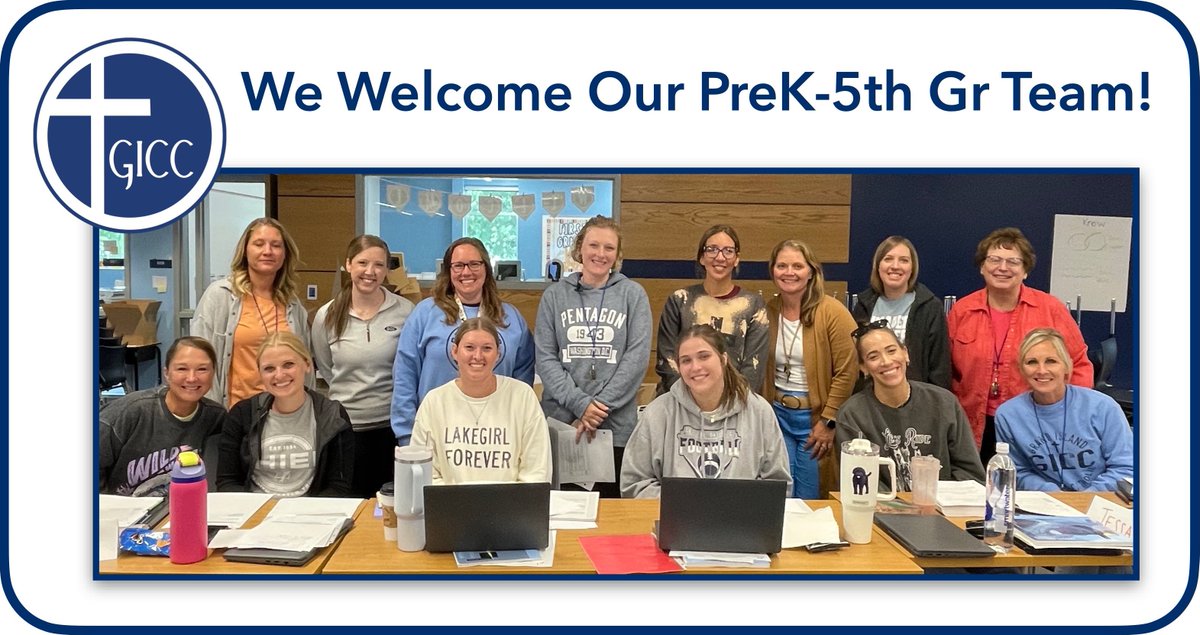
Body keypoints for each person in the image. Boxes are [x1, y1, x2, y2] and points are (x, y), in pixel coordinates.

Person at [947, 227, 1093, 464]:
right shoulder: (962, 311)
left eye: (1013, 261)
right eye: (994, 259)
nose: (1002, 268)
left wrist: (1069, 414)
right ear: (982, 266)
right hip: (971, 425)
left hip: (1035, 423)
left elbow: (1078, 364)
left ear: (1025, 271)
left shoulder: (1050, 309)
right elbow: (947, 371)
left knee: (1028, 483)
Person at [534, 216, 651, 496]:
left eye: (609, 248)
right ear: (579, 248)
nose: (600, 254)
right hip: (564, 426)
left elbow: (636, 359)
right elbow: (546, 358)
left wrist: (596, 409)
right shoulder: (554, 296)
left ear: (617, 255)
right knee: (563, 513)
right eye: (593, 245)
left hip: (615, 429)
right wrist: (580, 404)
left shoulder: (633, 295)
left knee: (612, 515)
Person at [390, 237, 535, 445]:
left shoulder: (511, 318)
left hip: (496, 436)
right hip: (435, 433)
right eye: (458, 265)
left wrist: (518, 430)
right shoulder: (424, 314)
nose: (466, 272)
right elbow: (405, 375)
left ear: (486, 268)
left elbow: (523, 381)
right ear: (448, 271)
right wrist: (407, 435)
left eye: (474, 264)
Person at [621, 325, 791, 499]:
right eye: (686, 360)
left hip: (739, 515)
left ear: (723, 359)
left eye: (704, 356)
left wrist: (733, 505)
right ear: (678, 367)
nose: (695, 367)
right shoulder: (658, 413)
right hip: (678, 514)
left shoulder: (759, 411)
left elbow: (778, 485)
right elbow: (635, 484)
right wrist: (684, 503)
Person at [311, 235, 415, 498]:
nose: (370, 271)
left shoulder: (406, 311)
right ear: (348, 265)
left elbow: (409, 368)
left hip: (392, 429)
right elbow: (326, 367)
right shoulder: (327, 315)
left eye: (379, 265)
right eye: (362, 263)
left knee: (392, 506)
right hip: (346, 430)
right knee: (350, 505)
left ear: (387, 269)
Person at [760, 239, 858, 499]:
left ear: (811, 272)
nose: (789, 272)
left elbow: (847, 372)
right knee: (779, 492)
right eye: (782, 266)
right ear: (773, 271)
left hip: (815, 421)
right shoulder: (768, 311)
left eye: (797, 266)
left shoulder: (833, 312)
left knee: (809, 495)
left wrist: (829, 421)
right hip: (777, 417)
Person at [836, 323, 984, 491]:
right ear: (864, 368)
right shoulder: (852, 415)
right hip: (882, 505)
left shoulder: (945, 403)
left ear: (905, 353)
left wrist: (934, 499)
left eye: (891, 351)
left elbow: (970, 475)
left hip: (939, 504)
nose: (886, 361)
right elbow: (859, 482)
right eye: (873, 357)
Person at [411, 318, 551, 484]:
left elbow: (536, 472)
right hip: (448, 500)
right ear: (454, 351)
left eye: (487, 348)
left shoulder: (522, 397)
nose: (477, 356)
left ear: (498, 354)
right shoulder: (434, 402)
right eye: (469, 347)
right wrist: (453, 499)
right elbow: (424, 474)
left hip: (512, 501)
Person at [192, 218, 311, 409]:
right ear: (245, 251)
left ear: (285, 254)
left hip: (283, 414)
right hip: (235, 413)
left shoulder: (292, 304)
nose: (268, 251)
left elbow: (305, 364)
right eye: (259, 244)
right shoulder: (220, 296)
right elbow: (198, 361)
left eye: (276, 245)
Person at [218, 332, 354, 497]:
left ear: (307, 364)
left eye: (288, 365)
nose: (279, 375)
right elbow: (227, 482)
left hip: (311, 510)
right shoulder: (241, 414)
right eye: (269, 368)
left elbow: (338, 486)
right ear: (260, 374)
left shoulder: (333, 415)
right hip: (255, 509)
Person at [995, 328, 1132, 492]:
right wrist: (1051, 492)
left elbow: (1126, 467)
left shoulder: (1103, 407)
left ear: (1067, 366)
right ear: (1021, 369)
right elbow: (1017, 471)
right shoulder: (1008, 416)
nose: (1042, 370)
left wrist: (1086, 498)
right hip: (1045, 502)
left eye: (1051, 361)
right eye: (1031, 362)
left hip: (1099, 501)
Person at [99, 337, 227, 496]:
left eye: (202, 369)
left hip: (184, 505)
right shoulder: (130, 411)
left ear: (213, 374)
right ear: (166, 373)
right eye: (182, 369)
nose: (192, 378)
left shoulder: (216, 418)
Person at [655, 224, 768, 395]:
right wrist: (693, 400)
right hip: (680, 400)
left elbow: (753, 370)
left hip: (734, 402)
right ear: (702, 257)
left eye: (728, 251)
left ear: (737, 259)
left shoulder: (754, 306)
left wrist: (724, 402)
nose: (720, 257)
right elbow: (667, 360)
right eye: (712, 250)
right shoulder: (679, 300)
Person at [851, 236, 951, 389]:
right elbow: (857, 359)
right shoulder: (863, 305)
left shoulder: (930, 307)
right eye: (888, 259)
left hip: (917, 397)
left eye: (904, 260)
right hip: (871, 395)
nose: (895, 266)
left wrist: (934, 400)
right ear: (878, 266)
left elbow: (940, 367)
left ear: (912, 268)